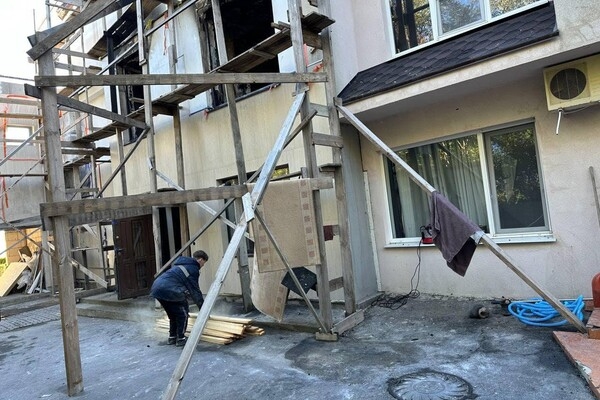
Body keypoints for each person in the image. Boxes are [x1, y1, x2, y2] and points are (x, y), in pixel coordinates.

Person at [150, 250, 209, 347]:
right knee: (183, 314)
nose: (203, 265)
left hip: (157, 288)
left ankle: (172, 338)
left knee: (173, 315)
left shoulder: (181, 265)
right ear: (200, 260)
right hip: (170, 289)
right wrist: (203, 308)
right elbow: (194, 289)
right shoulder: (193, 268)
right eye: (204, 263)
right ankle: (181, 339)